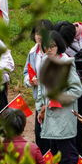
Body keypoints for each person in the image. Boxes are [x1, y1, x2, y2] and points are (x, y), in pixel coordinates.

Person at [36, 31, 82, 164]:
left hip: (63, 115)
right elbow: (41, 88)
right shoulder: (44, 61)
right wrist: (40, 108)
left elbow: (77, 90)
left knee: (67, 154)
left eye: (53, 46)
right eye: (46, 46)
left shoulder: (66, 63)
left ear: (59, 46)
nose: (49, 49)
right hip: (49, 115)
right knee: (55, 153)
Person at [25, 19, 53, 155]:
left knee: (52, 137)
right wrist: (29, 80)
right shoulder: (32, 52)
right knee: (40, 135)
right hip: (39, 100)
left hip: (52, 101)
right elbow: (26, 72)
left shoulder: (54, 52)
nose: (40, 36)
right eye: (37, 33)